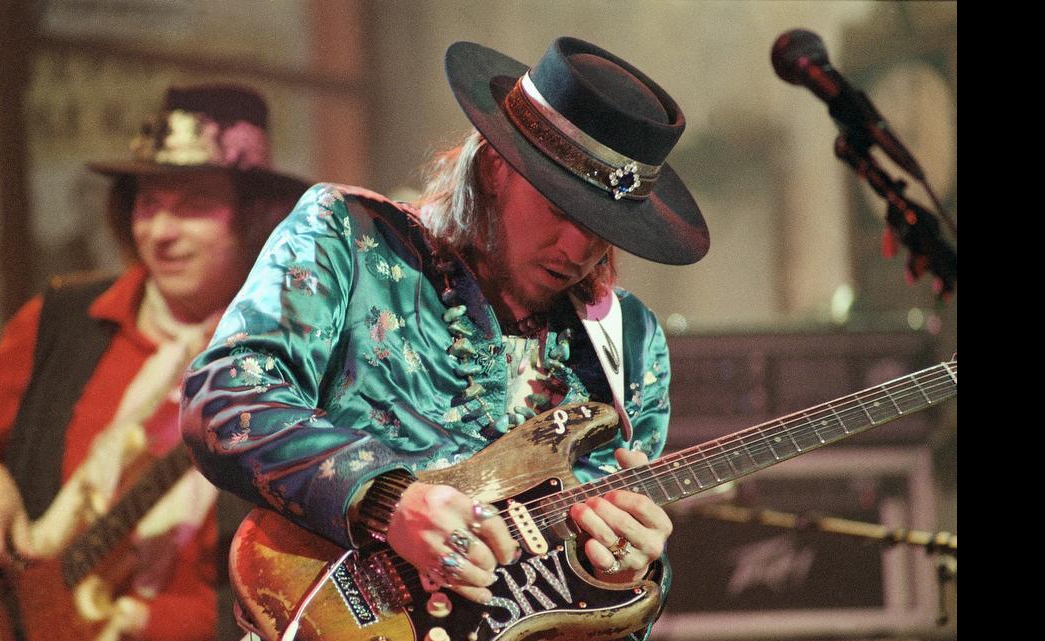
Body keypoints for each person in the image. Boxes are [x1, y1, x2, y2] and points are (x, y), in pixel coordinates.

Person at [180, 37, 710, 640]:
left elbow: (582, 604)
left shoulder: (629, 344)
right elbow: (223, 397)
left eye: (604, 228)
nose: (577, 251)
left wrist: (627, 574)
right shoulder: (349, 235)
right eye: (562, 209)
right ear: (493, 171)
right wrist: (387, 500)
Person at [0, 84, 309, 641]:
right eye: (148, 203)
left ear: (254, 217)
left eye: (195, 203)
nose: (160, 232)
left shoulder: (296, 360)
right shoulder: (67, 318)